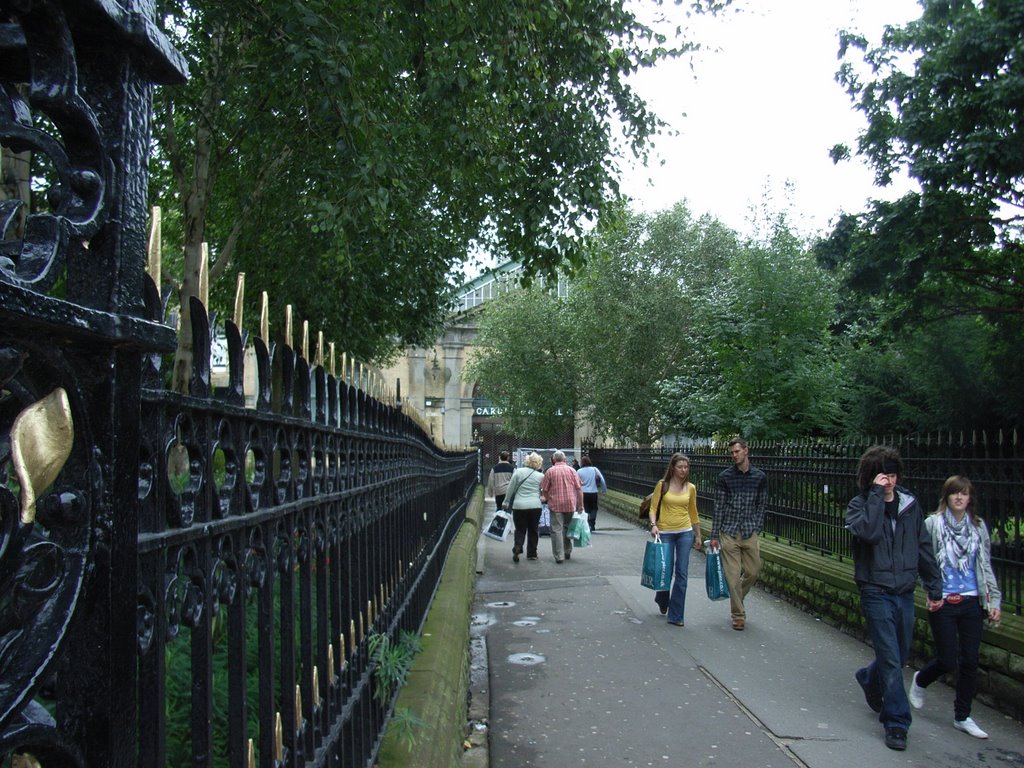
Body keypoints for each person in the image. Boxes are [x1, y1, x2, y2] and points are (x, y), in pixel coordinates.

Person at [845, 445, 943, 752]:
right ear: (871, 478)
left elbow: (923, 546)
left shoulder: (910, 505)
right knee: (889, 655)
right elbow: (869, 534)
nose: (888, 480)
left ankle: (868, 678)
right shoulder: (859, 506)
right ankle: (897, 722)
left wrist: (934, 585)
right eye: (881, 475)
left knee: (899, 653)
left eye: (892, 474)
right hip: (874, 588)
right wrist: (877, 497)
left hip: (903, 589)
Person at [907, 475, 1002, 739]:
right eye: (955, 493)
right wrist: (929, 591)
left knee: (970, 661)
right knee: (947, 658)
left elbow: (985, 564)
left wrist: (993, 600)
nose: (959, 498)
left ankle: (963, 716)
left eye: (964, 494)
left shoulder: (978, 526)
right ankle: (920, 680)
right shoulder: (933, 524)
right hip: (944, 600)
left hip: (972, 600)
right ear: (946, 497)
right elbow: (924, 561)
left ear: (970, 498)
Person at [709, 437, 768, 631]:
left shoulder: (759, 477)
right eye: (732, 452)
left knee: (753, 571)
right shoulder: (725, 477)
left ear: (746, 451)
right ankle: (738, 615)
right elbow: (719, 506)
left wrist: (758, 525)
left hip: (749, 530)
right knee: (732, 577)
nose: (734, 455)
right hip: (730, 531)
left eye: (737, 451)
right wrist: (715, 535)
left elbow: (762, 504)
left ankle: (737, 599)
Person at [648, 453, 703, 626]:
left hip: (685, 533)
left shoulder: (691, 488)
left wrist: (698, 535)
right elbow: (653, 508)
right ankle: (662, 599)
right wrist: (653, 524)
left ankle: (676, 615)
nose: (683, 470)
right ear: (673, 468)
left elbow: (693, 512)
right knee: (666, 570)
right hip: (665, 533)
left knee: (682, 573)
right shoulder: (662, 485)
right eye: (680, 467)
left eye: (686, 467)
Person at [540, 450, 584, 563]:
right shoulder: (572, 470)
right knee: (568, 527)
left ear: (554, 460)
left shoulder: (550, 471)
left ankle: (559, 555)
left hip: (556, 504)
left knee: (556, 530)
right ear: (564, 459)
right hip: (570, 504)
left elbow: (544, 489)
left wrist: (547, 498)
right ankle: (567, 550)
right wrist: (580, 505)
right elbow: (579, 489)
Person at [503, 452, 545, 562]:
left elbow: (510, 488)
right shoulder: (541, 476)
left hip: (519, 506)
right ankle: (532, 553)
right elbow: (544, 492)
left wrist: (506, 501)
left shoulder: (518, 472)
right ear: (538, 463)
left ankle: (518, 546)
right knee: (533, 530)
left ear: (526, 461)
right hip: (535, 506)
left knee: (520, 529)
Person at [576, 455, 607, 531]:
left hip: (583, 492)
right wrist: (604, 489)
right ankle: (592, 524)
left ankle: (586, 524)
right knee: (593, 508)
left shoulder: (579, 471)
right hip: (593, 492)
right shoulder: (594, 469)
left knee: (585, 508)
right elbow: (602, 479)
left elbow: (576, 483)